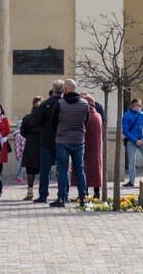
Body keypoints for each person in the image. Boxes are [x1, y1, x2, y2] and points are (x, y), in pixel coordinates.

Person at [49, 78, 89, 208]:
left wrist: (60, 132)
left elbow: (53, 123)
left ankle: (62, 197)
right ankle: (83, 197)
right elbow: (86, 121)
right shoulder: (84, 103)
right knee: (79, 170)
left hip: (62, 141)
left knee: (62, 170)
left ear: (64, 89)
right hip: (78, 140)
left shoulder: (60, 104)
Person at [33, 80, 64, 203]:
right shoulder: (64, 104)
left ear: (52, 90)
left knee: (45, 170)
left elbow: (37, 122)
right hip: (61, 139)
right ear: (63, 90)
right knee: (62, 169)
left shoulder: (45, 104)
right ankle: (63, 194)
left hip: (46, 140)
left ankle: (43, 195)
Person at [122, 98, 143, 187]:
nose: (140, 107)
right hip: (132, 141)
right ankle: (131, 181)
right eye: (138, 105)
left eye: (140, 105)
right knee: (132, 162)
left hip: (142, 140)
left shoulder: (142, 115)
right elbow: (125, 131)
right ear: (133, 106)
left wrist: (142, 139)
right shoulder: (127, 116)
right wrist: (135, 140)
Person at [79, 93, 104, 199]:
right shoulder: (98, 115)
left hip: (87, 146)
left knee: (86, 170)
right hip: (96, 146)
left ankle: (85, 193)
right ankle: (97, 192)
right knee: (96, 169)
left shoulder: (86, 115)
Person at [20, 96, 43, 200]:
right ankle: (43, 192)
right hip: (42, 144)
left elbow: (22, 132)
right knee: (44, 170)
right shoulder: (44, 118)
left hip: (30, 144)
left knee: (30, 171)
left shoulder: (27, 118)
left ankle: (30, 192)